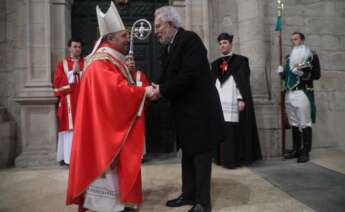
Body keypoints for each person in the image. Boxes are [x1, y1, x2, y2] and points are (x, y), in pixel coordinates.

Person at [66, 2, 154, 211]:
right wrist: (143, 92)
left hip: (104, 127)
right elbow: (116, 93)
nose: (128, 39)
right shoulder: (100, 64)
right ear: (109, 38)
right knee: (106, 177)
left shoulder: (107, 61)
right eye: (123, 35)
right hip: (103, 134)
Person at [151, 6, 224, 212]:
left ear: (171, 23)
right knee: (188, 155)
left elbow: (189, 75)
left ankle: (202, 203)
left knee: (200, 157)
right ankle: (189, 194)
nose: (156, 31)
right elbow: (168, 77)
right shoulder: (170, 46)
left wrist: (162, 90)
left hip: (200, 113)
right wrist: (155, 88)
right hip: (185, 114)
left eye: (159, 26)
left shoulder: (189, 40)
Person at [211, 33, 262, 169]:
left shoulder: (240, 61)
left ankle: (233, 160)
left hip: (233, 100)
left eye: (225, 43)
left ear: (231, 44)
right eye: (220, 43)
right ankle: (221, 159)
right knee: (222, 129)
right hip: (220, 101)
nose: (222, 45)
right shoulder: (215, 64)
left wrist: (240, 98)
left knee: (232, 130)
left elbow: (243, 82)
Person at [277, 32, 321, 163]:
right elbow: (288, 77)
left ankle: (305, 152)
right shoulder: (289, 57)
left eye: (296, 39)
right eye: (292, 40)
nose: (293, 41)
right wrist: (282, 73)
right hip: (289, 93)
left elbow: (317, 74)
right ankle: (296, 150)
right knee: (294, 122)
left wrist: (302, 73)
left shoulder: (311, 55)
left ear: (302, 40)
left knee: (304, 122)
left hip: (302, 92)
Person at [53, 38, 84, 166]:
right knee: (70, 130)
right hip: (69, 102)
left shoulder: (87, 63)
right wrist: (73, 73)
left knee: (83, 128)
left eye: (79, 47)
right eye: (75, 46)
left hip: (83, 100)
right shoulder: (63, 64)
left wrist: (80, 73)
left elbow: (92, 81)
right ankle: (69, 158)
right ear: (69, 48)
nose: (77, 49)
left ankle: (83, 158)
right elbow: (58, 83)